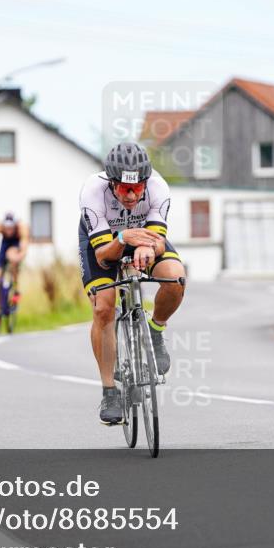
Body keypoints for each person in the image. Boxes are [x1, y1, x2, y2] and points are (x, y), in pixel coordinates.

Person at [78, 142, 186, 425]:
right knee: (104, 307)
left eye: (137, 188)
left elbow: (158, 239)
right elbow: (102, 257)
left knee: (175, 276)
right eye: (123, 188)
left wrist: (148, 248)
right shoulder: (92, 191)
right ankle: (109, 391)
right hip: (104, 243)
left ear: (145, 182)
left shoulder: (158, 188)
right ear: (110, 182)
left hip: (145, 238)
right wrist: (124, 239)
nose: (130, 195)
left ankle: (155, 330)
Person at [0, 212, 29, 296]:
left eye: (11, 228)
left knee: (11, 255)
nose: (9, 230)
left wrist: (20, 255)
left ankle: (16, 290)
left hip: (16, 243)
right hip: (5, 243)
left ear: (14, 225)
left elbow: (24, 243)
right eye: (7, 228)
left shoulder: (21, 227)